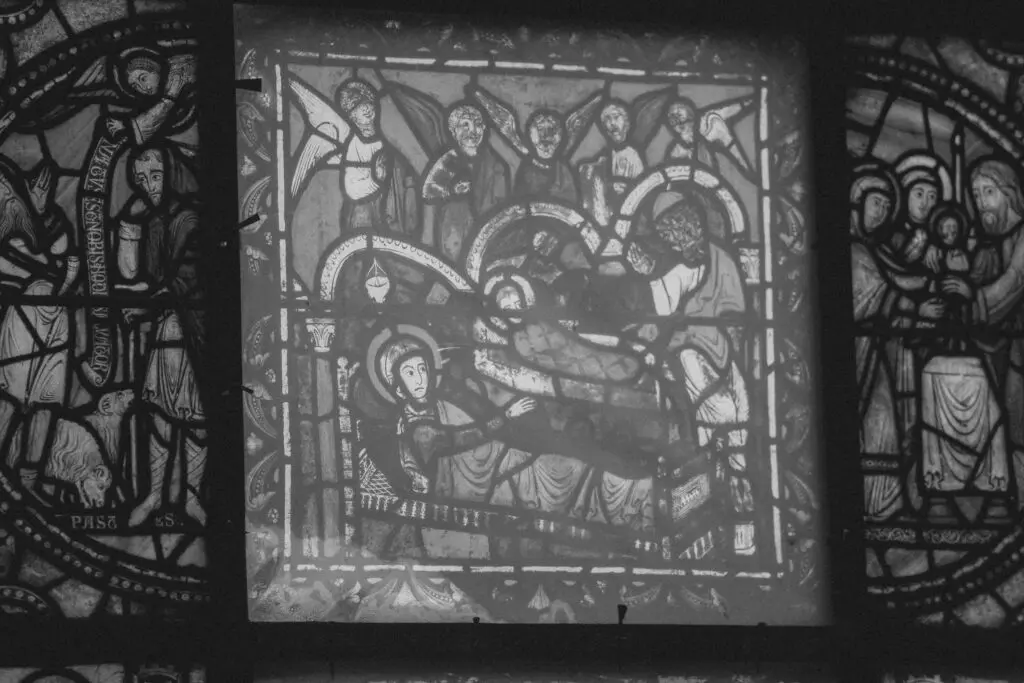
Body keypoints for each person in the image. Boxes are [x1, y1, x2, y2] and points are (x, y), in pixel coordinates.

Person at [373, 329, 656, 560]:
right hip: (490, 484)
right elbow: (459, 439)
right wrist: (506, 415)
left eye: (422, 368)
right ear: (397, 386)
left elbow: (476, 431)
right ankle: (633, 503)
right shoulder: (415, 427)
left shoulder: (444, 407)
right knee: (565, 473)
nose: (420, 378)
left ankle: (637, 497)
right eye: (409, 372)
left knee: (569, 467)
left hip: (501, 464)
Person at [115, 144, 207, 527]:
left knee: (197, 416)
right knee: (159, 415)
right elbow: (131, 275)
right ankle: (154, 495)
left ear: (172, 174)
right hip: (167, 327)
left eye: (155, 175)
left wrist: (150, 301)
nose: (149, 185)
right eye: (140, 179)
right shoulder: (153, 222)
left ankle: (192, 497)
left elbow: (189, 278)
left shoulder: (191, 220)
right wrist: (128, 224)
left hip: (196, 330)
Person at [849, 166, 944, 520]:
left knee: (883, 422)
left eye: (888, 206)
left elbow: (895, 280)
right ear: (857, 204)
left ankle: (883, 506)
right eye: (877, 203)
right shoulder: (854, 251)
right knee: (880, 421)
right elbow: (882, 293)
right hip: (859, 353)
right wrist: (920, 308)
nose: (882, 212)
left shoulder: (872, 249)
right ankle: (875, 506)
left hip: (873, 352)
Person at [0, 160, 76, 489]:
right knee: (9, 395)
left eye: (47, 187)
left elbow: (65, 262)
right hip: (22, 318)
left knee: (47, 401)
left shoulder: (53, 225)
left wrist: (66, 278)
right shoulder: (9, 234)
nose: (42, 193)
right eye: (36, 187)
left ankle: (29, 481)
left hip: (57, 318)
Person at [942, 158, 1024, 457]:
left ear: (1010, 193)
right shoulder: (993, 240)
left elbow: (1012, 284)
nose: (981, 203)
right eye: (976, 195)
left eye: (988, 192)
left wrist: (970, 294)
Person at [288, 77, 419, 235]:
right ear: (350, 116)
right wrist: (376, 177)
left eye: (368, 102)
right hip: (363, 219)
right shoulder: (352, 145)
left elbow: (407, 178)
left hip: (394, 219)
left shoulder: (391, 139)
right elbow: (353, 189)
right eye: (357, 106)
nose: (366, 108)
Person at [421, 103, 509, 261]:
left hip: (485, 233)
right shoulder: (449, 160)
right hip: (453, 231)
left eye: (478, 124)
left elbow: (500, 202)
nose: (472, 131)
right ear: (454, 131)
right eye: (465, 125)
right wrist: (451, 192)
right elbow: (429, 191)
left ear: (483, 129)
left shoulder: (495, 164)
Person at [578, 100, 645, 228]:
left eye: (616, 117)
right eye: (607, 120)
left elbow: (641, 192)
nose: (612, 123)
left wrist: (624, 189)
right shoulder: (605, 156)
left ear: (626, 123)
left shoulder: (633, 155)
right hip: (607, 214)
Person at [657, 98, 717, 169]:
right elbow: (670, 169)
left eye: (684, 121)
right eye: (675, 123)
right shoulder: (674, 148)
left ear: (693, 121)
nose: (680, 125)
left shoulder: (701, 144)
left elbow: (708, 168)